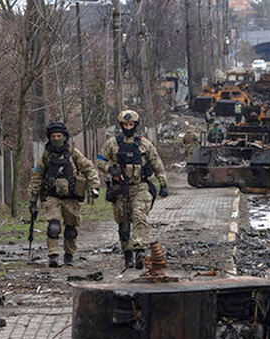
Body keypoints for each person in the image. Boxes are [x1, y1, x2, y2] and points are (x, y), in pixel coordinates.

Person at [97, 110, 170, 270]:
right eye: (125, 125)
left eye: (131, 125)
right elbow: (100, 160)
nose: (128, 127)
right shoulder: (112, 143)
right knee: (123, 224)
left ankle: (139, 251)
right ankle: (128, 254)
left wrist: (163, 184)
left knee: (139, 217)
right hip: (120, 189)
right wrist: (111, 170)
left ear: (136, 125)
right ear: (121, 125)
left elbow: (157, 163)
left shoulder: (144, 144)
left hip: (140, 187)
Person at [28, 122, 100, 267]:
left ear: (64, 136)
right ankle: (53, 255)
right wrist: (32, 198)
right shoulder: (45, 156)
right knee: (53, 226)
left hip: (71, 198)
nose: (56, 138)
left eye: (59, 136)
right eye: (53, 136)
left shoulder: (73, 154)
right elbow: (37, 176)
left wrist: (94, 185)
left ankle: (69, 255)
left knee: (71, 229)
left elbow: (89, 168)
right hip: (52, 197)